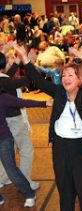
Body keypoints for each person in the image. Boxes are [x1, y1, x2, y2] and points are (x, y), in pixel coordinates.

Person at [13, 43, 82, 211]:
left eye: (70, 75)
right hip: (60, 146)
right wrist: (25, 58)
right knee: (65, 190)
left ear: (80, 79)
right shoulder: (59, 92)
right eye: (64, 75)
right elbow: (38, 80)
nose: (65, 78)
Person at [0, 88, 52, 207]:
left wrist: (44, 103)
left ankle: (29, 194)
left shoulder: (3, 98)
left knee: (11, 170)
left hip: (3, 140)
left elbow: (23, 102)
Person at [0, 51, 40, 190]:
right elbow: (27, 80)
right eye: (7, 61)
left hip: (4, 121)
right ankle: (25, 181)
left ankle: (3, 178)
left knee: (8, 149)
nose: (9, 63)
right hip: (13, 120)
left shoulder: (4, 79)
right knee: (26, 149)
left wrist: (17, 60)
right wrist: (31, 63)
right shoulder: (6, 81)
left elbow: (7, 76)